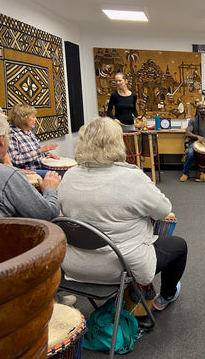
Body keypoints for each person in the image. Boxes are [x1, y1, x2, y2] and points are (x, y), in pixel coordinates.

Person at [58, 117, 187, 311]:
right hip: (120, 268)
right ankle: (166, 295)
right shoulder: (131, 177)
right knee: (179, 246)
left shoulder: (69, 176)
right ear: (117, 142)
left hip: (74, 267)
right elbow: (163, 210)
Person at [0, 109, 61, 220]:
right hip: (2, 235)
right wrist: (49, 190)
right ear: (2, 140)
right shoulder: (8, 176)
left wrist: (46, 153)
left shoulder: (29, 133)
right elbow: (48, 214)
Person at [8, 103, 60, 176]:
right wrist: (41, 150)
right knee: (57, 175)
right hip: (27, 173)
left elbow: (36, 150)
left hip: (39, 167)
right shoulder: (11, 134)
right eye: (33, 117)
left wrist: (47, 154)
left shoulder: (28, 131)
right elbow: (16, 160)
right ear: (23, 118)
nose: (35, 119)